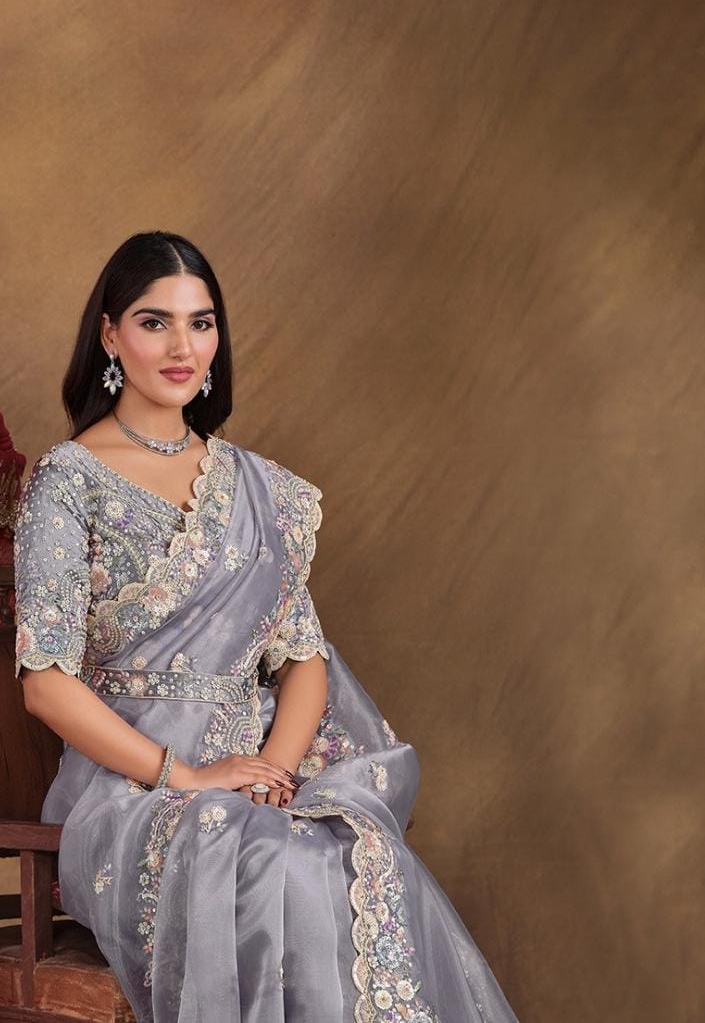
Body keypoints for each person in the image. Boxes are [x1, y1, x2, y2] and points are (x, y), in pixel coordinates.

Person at [13, 230, 521, 1023]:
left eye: (201, 322)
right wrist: (188, 777)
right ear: (109, 334)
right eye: (154, 322)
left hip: (251, 775)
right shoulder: (70, 481)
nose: (183, 347)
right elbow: (45, 683)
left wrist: (270, 774)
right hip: (131, 789)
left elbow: (302, 659)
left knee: (351, 854)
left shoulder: (256, 488)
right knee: (276, 865)